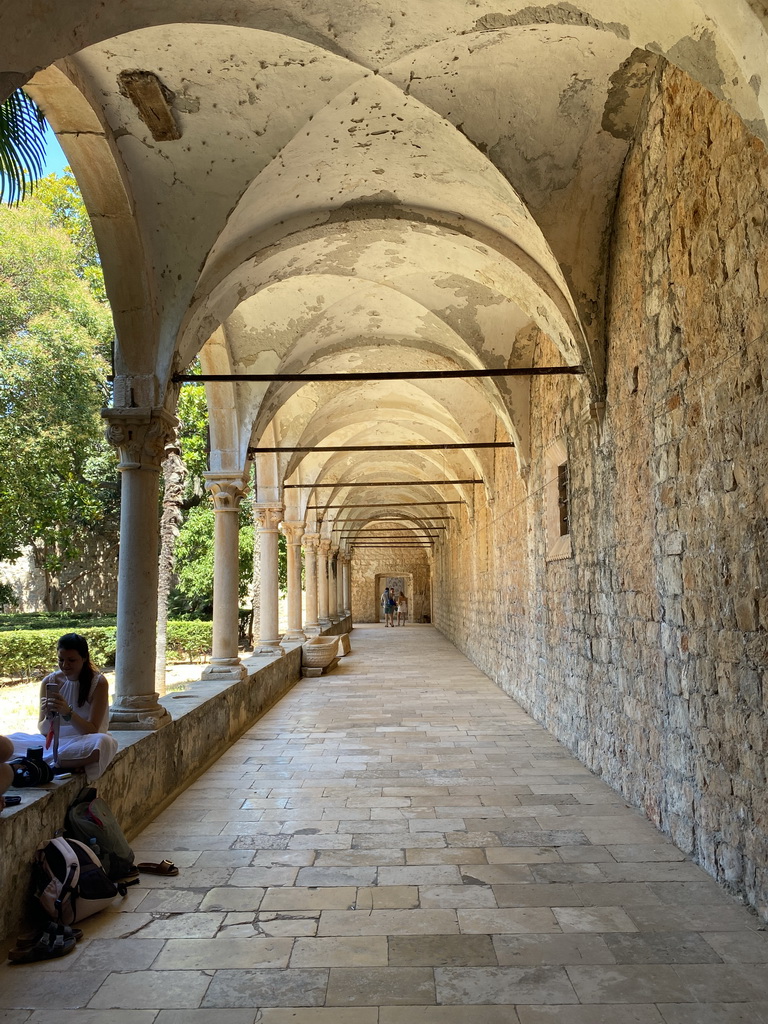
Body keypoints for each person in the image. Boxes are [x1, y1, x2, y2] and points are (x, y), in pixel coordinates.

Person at [7, 633, 118, 783]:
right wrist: (48, 716)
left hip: (84, 740)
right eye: (61, 660)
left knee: (104, 743)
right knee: (8, 742)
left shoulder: (98, 682)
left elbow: (92, 730)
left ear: (84, 658)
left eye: (71, 660)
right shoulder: (50, 681)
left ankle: (38, 763)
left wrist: (67, 712)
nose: (65, 665)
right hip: (54, 742)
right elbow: (43, 730)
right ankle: (59, 763)